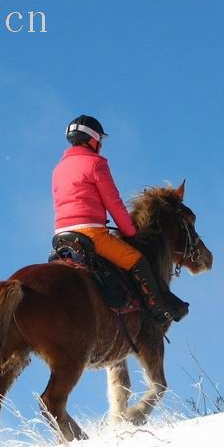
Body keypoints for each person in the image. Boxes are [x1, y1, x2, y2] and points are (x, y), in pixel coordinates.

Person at [52, 115, 188, 325]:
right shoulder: (96, 164)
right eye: (100, 140)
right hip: (91, 234)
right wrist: (130, 232)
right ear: (93, 138)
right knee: (137, 260)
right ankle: (163, 311)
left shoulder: (58, 169)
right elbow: (113, 203)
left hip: (61, 236)